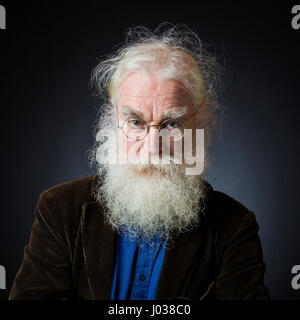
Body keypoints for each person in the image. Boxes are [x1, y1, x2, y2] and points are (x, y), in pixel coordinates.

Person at [9, 23, 269, 300]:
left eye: (171, 124)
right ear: (113, 119)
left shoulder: (235, 227)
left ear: (199, 122)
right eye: (135, 122)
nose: (151, 149)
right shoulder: (59, 209)